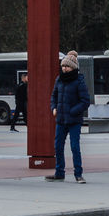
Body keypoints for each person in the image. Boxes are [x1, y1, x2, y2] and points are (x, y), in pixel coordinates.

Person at [46, 51, 91, 183]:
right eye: (63, 66)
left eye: (67, 66)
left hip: (74, 120)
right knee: (58, 146)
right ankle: (59, 173)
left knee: (74, 147)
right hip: (60, 119)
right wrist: (53, 107)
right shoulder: (59, 80)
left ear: (74, 67)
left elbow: (85, 101)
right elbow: (53, 96)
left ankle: (78, 174)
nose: (64, 68)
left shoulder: (79, 81)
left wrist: (73, 111)